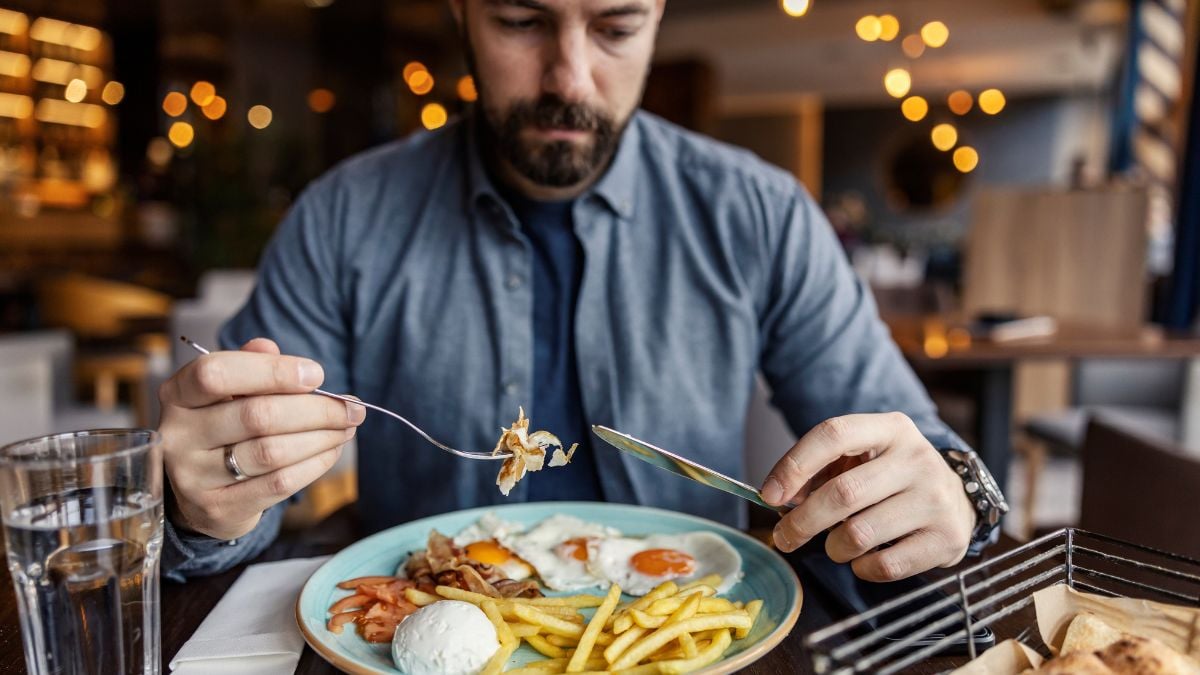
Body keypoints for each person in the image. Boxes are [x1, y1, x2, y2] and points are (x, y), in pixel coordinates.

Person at [158, 0, 1006, 584]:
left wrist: (948, 492)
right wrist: (205, 501)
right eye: (522, 20)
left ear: (659, 17)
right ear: (462, 12)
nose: (568, 78)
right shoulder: (344, 216)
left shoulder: (761, 213)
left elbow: (914, 448)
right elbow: (240, 493)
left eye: (615, 27)